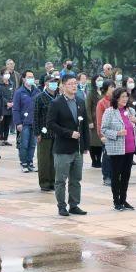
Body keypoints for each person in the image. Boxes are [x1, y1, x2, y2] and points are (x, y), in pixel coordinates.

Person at [48, 76, 90, 216]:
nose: (74, 86)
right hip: (63, 148)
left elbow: (84, 125)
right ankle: (61, 206)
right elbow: (51, 124)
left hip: (77, 148)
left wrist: (85, 145)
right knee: (61, 180)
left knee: (76, 179)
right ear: (63, 86)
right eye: (70, 84)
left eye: (75, 84)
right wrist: (68, 133)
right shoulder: (56, 103)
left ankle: (74, 205)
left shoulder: (80, 101)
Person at [101, 87, 136, 210]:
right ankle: (116, 201)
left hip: (130, 148)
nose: (125, 99)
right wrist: (117, 133)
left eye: (126, 97)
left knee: (126, 176)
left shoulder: (131, 111)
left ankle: (123, 199)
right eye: (122, 97)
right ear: (116, 98)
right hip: (117, 149)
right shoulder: (109, 112)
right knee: (116, 176)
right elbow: (104, 129)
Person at [34, 72, 60, 192]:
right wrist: (37, 133)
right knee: (44, 158)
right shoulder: (39, 97)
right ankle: (44, 182)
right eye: (51, 82)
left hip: (57, 132)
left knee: (55, 158)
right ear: (46, 84)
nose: (54, 84)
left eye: (55, 82)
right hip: (44, 133)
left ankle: (53, 181)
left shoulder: (59, 97)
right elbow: (35, 116)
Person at [13, 70, 39, 172]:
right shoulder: (19, 92)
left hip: (35, 122)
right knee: (24, 144)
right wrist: (18, 123)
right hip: (24, 123)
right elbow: (15, 109)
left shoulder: (37, 91)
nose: (31, 79)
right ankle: (24, 163)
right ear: (23, 79)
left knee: (32, 144)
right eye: (28, 77)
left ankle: (30, 162)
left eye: (32, 77)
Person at [94, 80, 116, 186]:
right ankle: (107, 176)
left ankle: (115, 175)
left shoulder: (117, 101)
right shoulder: (102, 103)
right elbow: (99, 120)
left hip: (117, 133)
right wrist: (101, 135)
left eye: (114, 87)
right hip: (106, 133)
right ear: (106, 89)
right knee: (107, 155)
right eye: (111, 87)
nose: (113, 89)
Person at [0, 64, 16, 147]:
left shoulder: (11, 83)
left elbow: (13, 94)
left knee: (7, 124)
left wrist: (12, 103)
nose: (7, 74)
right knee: (2, 124)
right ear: (2, 74)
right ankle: (1, 139)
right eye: (5, 73)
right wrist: (6, 103)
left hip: (10, 107)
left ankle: (5, 139)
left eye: (8, 73)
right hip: (2, 106)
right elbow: (0, 95)